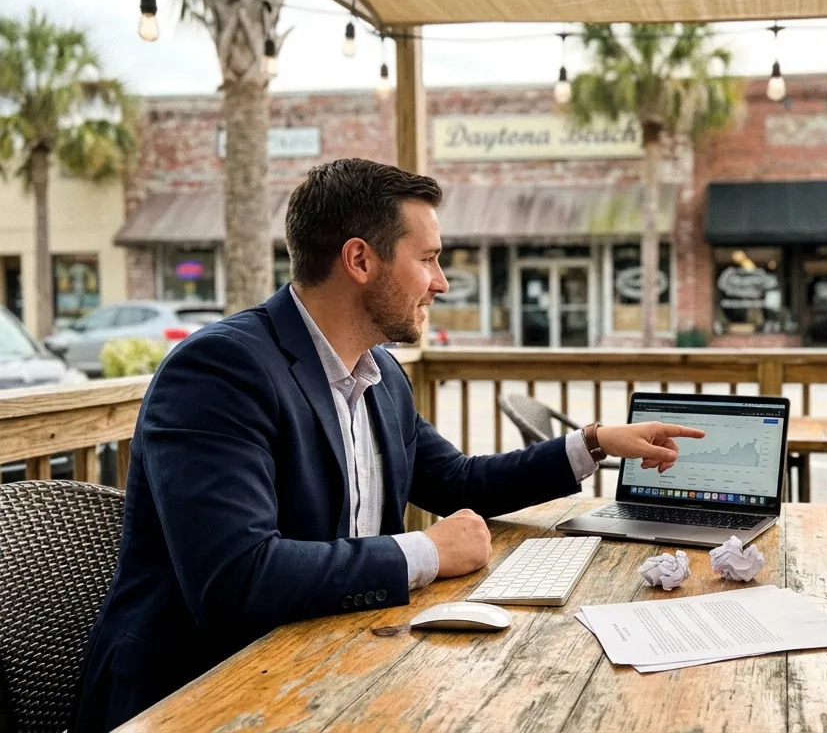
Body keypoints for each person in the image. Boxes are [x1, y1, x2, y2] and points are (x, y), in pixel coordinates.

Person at [73, 158, 703, 731]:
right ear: (360, 260)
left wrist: (591, 443)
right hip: (196, 699)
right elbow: (236, 580)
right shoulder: (219, 372)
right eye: (427, 259)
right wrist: (424, 551)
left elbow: (459, 483)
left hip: (328, 670)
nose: (442, 283)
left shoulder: (381, 378)